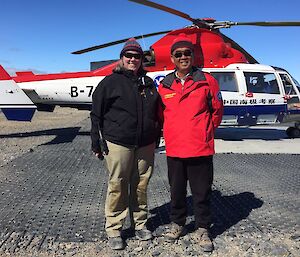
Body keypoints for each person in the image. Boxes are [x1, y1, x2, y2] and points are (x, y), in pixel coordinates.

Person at [90, 38, 161, 250]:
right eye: (128, 55)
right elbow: (96, 115)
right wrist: (96, 141)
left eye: (137, 56)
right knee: (118, 184)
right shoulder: (109, 83)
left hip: (145, 143)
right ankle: (114, 228)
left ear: (141, 59)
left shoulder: (148, 83)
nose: (132, 59)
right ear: (122, 58)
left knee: (141, 184)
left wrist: (156, 134)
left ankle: (140, 223)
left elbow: (156, 112)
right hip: (118, 142)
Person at [158, 33, 223, 252]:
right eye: (179, 54)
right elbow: (161, 114)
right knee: (176, 191)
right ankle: (178, 224)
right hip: (175, 148)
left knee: (202, 191)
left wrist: (205, 132)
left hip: (199, 147)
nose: (183, 57)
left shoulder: (208, 81)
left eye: (187, 53)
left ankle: (203, 227)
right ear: (172, 58)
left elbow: (217, 112)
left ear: (193, 56)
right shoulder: (165, 85)